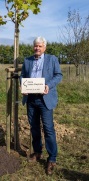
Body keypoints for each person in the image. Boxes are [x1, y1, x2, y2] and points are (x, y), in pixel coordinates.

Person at [20, 36, 63, 175]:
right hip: (31, 98)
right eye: (35, 46)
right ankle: (37, 152)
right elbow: (22, 75)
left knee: (48, 128)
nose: (37, 48)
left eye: (39, 46)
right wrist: (23, 85)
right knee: (34, 127)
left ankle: (52, 158)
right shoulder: (27, 60)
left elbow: (58, 75)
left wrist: (48, 85)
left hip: (45, 98)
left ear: (44, 47)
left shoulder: (52, 59)